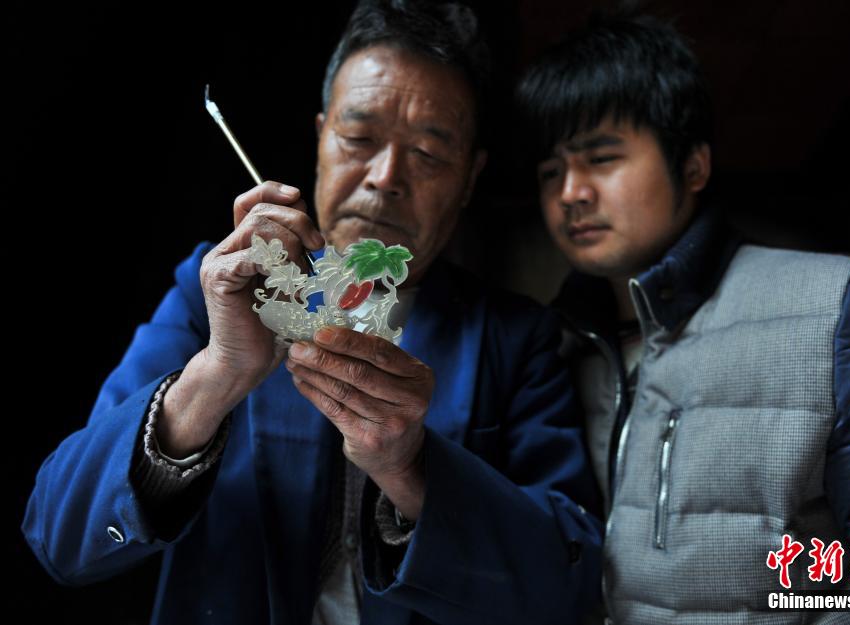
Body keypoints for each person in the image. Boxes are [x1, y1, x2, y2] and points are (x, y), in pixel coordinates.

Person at [22, 2, 604, 624]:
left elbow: (565, 587)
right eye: (359, 138)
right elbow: (60, 537)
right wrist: (216, 374)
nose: (385, 177)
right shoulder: (215, 293)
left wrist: (410, 467)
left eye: (429, 154)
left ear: (469, 177)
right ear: (321, 137)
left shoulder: (516, 340)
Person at [516, 12, 850, 625]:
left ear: (693, 166)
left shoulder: (846, 309)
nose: (570, 192)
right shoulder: (551, 347)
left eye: (601, 158)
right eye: (550, 172)